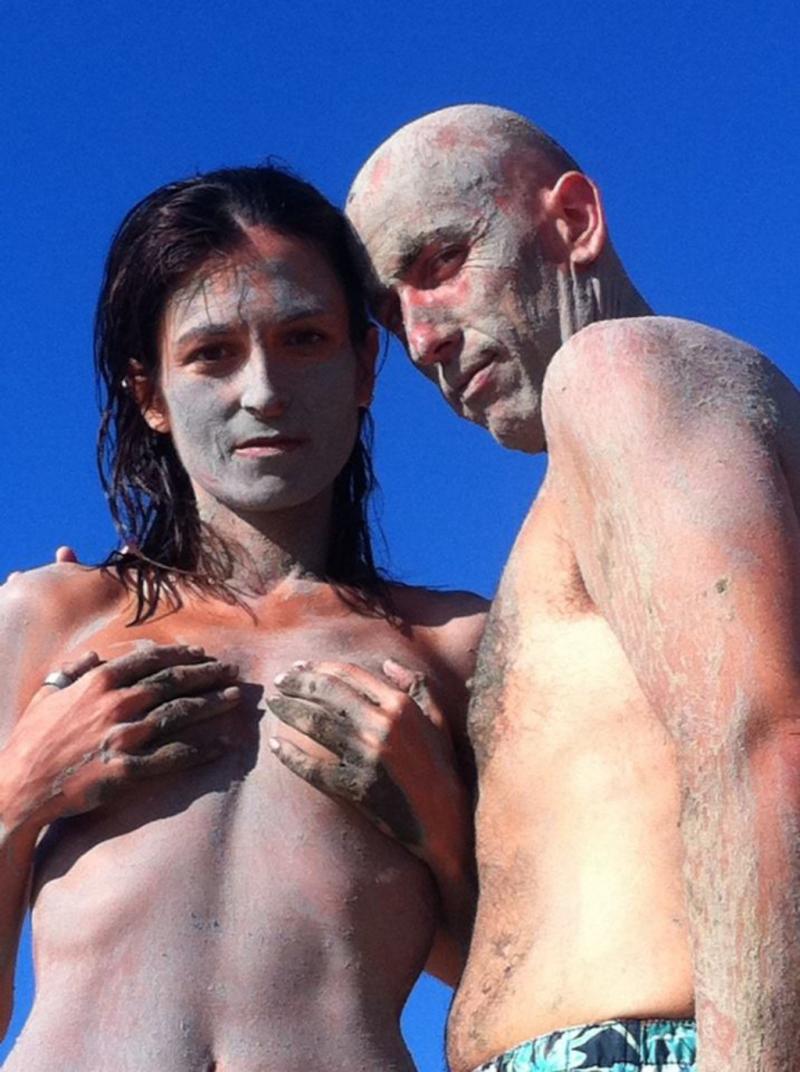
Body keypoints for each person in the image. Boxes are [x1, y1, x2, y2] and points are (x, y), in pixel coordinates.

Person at [266, 103, 800, 1072]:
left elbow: (763, 740)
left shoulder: (618, 370)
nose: (420, 338)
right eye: (389, 311)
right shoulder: (589, 480)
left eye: (440, 261)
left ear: (573, 222)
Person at [0, 165, 485, 1070]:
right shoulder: (46, 619)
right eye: (212, 352)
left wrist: (441, 830)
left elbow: (531, 987)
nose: (263, 389)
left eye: (304, 338)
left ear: (363, 365)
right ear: (149, 393)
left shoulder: (455, 647)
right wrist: (16, 798)